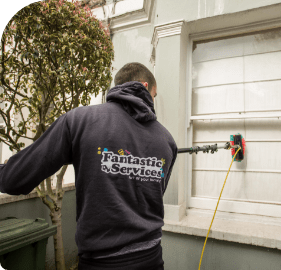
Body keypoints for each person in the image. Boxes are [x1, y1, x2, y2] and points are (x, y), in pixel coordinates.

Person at [0, 62, 178, 270]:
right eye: (154, 96)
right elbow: (152, 193)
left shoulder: (79, 121)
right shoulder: (167, 141)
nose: (153, 102)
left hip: (101, 263)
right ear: (145, 86)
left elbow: (14, 179)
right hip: (152, 259)